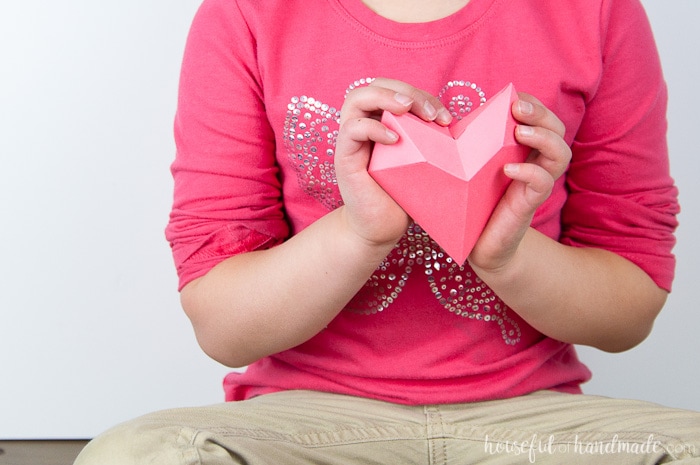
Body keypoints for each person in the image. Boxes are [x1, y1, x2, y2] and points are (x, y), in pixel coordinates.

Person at [75, 0, 700, 463]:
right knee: (136, 454)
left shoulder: (596, 11)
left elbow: (629, 313)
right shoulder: (247, 13)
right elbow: (223, 327)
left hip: (534, 427)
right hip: (305, 426)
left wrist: (504, 253)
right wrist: (361, 231)